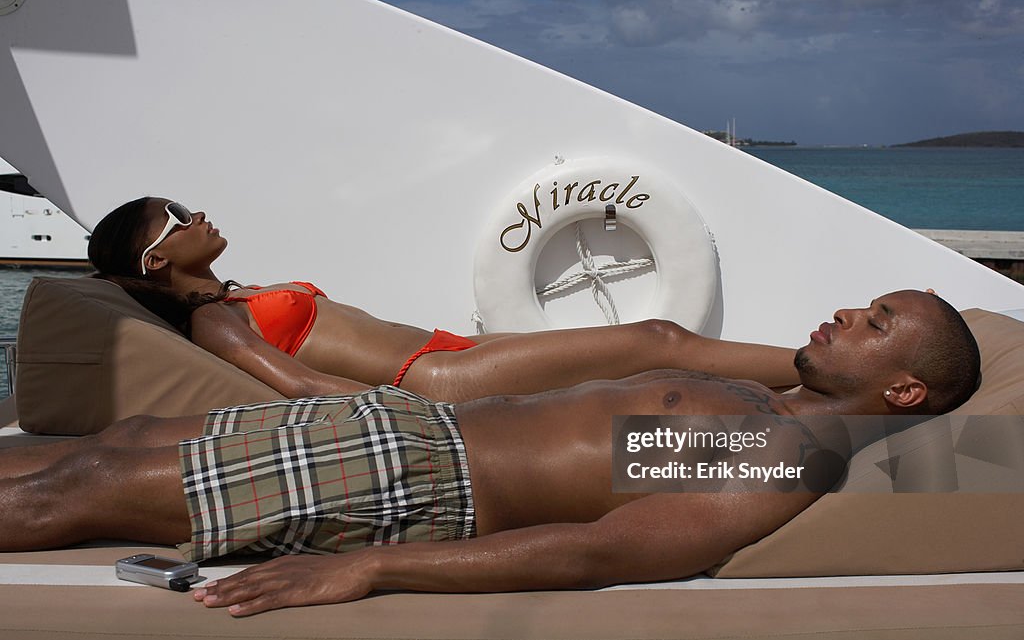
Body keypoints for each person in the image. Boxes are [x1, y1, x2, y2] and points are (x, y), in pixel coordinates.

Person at [0, 290, 980, 617]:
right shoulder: (770, 400)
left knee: (79, 489)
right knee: (112, 445)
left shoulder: (789, 446)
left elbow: (613, 546)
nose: (848, 311)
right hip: (399, 429)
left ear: (902, 390)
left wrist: (371, 563)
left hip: (407, 475)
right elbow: (663, 349)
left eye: (875, 320)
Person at [87, 197, 800, 401]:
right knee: (656, 341)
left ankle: (806, 378)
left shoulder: (234, 294)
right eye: (180, 217)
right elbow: (297, 383)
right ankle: (816, 366)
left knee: (648, 356)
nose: (199, 213)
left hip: (450, 352)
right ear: (157, 259)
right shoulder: (214, 319)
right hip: (431, 378)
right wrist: (410, 417)